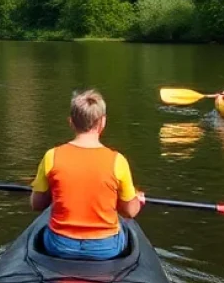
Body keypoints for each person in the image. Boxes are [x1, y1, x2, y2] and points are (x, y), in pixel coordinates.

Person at [30, 89, 144, 261]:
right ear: (102, 122)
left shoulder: (51, 156)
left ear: (71, 122)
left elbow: (37, 204)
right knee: (126, 228)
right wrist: (136, 199)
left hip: (60, 245)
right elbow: (130, 211)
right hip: (106, 248)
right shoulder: (117, 161)